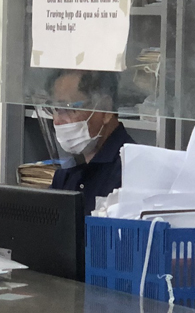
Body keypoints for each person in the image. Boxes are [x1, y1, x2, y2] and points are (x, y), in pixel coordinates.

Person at [47, 70, 134, 215]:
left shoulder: (130, 171)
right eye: (56, 109)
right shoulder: (68, 174)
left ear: (105, 109)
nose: (57, 121)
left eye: (68, 108)